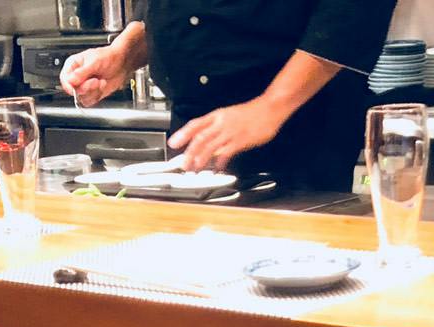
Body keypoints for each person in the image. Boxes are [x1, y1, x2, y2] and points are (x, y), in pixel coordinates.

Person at [60, 1, 398, 191]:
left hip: (301, 131)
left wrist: (269, 107)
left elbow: (353, 11)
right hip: (196, 133)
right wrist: (123, 53)